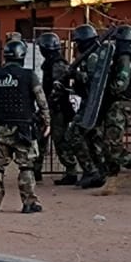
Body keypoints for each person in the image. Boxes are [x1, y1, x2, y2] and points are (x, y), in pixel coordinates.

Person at [0, 37, 51, 214]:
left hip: (0, 128)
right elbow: (42, 101)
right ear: (22, 56)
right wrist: (46, 121)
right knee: (26, 167)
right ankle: (29, 203)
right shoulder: (29, 76)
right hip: (23, 130)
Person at [86, 24, 131, 186]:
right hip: (116, 103)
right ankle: (111, 182)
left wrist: (106, 90)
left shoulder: (125, 57)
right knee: (106, 142)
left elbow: (121, 84)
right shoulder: (120, 56)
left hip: (121, 103)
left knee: (112, 143)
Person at [35, 32, 83, 185]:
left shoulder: (58, 63)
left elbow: (58, 88)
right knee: (40, 138)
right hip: (49, 107)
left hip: (57, 109)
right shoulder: (50, 62)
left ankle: (71, 171)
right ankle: (35, 170)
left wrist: (48, 106)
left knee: (60, 141)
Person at [64, 24, 104, 187]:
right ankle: (98, 172)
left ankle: (92, 171)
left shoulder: (93, 57)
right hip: (89, 103)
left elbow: (93, 80)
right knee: (92, 138)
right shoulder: (90, 55)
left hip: (92, 104)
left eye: (79, 42)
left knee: (74, 135)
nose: (77, 45)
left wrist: (75, 74)